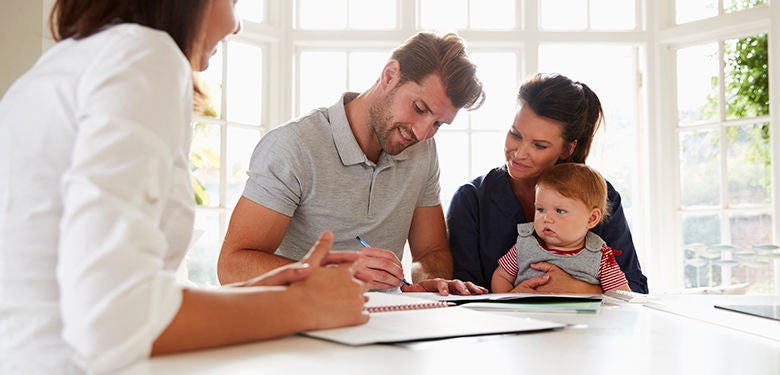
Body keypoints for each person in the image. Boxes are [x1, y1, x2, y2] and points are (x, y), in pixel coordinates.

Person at [0, 1, 368, 374]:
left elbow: (82, 295)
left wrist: (261, 293)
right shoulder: (143, 54)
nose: (236, 25)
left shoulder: (63, 64)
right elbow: (111, 321)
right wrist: (305, 306)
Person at [218, 31, 488, 296]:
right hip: (298, 321)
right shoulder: (293, 145)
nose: (421, 133)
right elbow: (232, 266)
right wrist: (334, 274)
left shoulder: (423, 151)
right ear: (390, 75)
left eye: (438, 123)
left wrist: (429, 282)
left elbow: (431, 252)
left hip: (384, 323)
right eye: (419, 108)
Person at [447, 72, 649, 293]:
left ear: (567, 148)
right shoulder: (471, 200)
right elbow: (462, 295)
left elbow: (634, 291)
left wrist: (578, 288)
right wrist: (510, 299)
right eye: (515, 134)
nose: (519, 153)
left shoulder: (600, 196)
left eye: (539, 145)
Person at [491, 163, 631, 293]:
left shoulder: (600, 256)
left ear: (592, 218)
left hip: (579, 319)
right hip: (528, 317)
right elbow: (501, 276)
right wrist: (511, 296)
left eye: (560, 211)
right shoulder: (525, 244)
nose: (547, 218)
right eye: (540, 209)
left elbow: (621, 295)